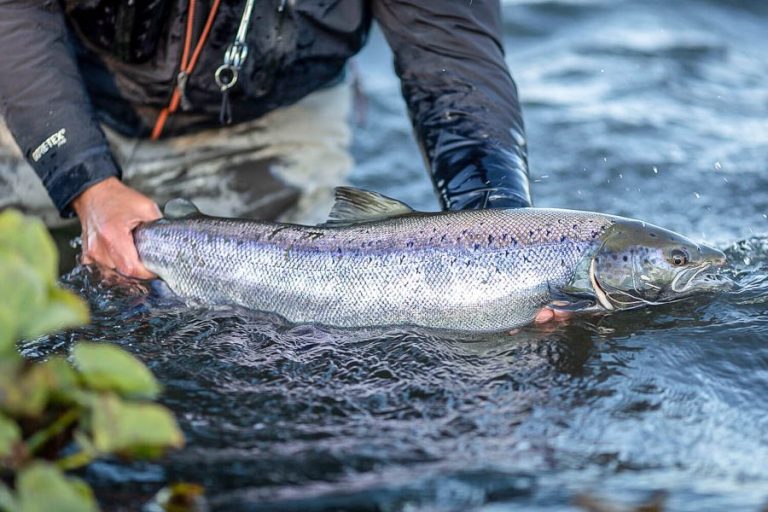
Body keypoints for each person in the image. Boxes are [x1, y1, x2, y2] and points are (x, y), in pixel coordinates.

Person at [1, 0, 560, 321]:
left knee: (286, 333)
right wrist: (87, 182)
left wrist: (508, 241)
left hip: (273, 117)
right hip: (55, 84)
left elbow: (453, 61)